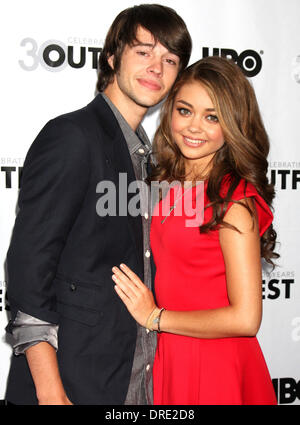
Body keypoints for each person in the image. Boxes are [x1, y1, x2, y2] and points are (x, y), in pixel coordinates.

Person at [5, 4, 192, 405]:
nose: (156, 68)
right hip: (72, 383)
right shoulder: (72, 137)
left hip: (132, 379)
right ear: (112, 56)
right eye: (143, 52)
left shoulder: (150, 157)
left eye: (169, 59)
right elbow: (27, 272)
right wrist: (51, 393)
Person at [111, 56, 279, 405]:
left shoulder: (234, 200)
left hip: (216, 365)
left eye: (212, 116)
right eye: (185, 110)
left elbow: (246, 319)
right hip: (167, 356)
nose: (194, 127)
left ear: (233, 124)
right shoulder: (164, 183)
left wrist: (155, 317)